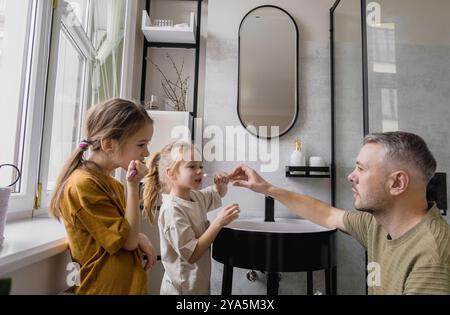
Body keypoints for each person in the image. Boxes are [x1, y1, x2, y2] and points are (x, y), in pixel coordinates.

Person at [230, 131, 450, 295]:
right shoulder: (377, 225)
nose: (351, 176)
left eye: (361, 169)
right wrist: (267, 188)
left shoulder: (432, 259)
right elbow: (326, 214)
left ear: (397, 183)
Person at [49, 98, 157, 295]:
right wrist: (133, 186)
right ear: (108, 144)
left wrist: (139, 235)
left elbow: (126, 232)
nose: (147, 152)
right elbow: (128, 242)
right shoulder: (83, 185)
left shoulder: (112, 184)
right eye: (141, 144)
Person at [143, 140, 240, 295]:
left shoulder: (194, 196)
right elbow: (192, 254)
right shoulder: (172, 210)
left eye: (200, 166)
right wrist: (218, 222)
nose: (199, 171)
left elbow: (217, 193)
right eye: (192, 166)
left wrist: (221, 184)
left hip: (196, 285)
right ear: (171, 174)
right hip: (180, 290)